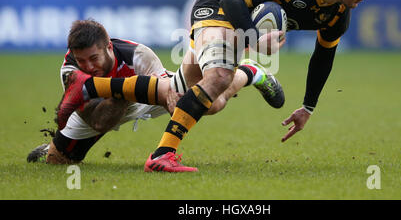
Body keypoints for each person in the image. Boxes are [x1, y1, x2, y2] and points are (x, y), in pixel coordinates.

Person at [55, 0, 380, 172]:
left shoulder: (338, 14)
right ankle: (162, 155)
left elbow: (322, 58)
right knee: (218, 77)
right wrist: (252, 39)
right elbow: (236, 1)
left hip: (239, 27)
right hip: (217, 6)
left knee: (206, 100)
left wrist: (308, 107)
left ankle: (251, 74)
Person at [28, 19, 282, 164]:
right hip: (94, 111)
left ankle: (251, 72)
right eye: (81, 61)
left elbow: (167, 90)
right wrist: (126, 90)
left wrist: (176, 101)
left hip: (144, 95)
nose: (88, 67)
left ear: (107, 47)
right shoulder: (70, 71)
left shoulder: (138, 55)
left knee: (208, 102)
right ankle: (54, 147)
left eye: (93, 58)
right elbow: (97, 120)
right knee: (58, 163)